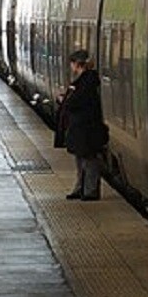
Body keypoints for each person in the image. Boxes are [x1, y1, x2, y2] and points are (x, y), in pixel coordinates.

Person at [58, 50, 108, 201]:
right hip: (80, 128)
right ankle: (81, 188)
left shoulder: (88, 81)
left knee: (89, 159)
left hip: (87, 128)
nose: (71, 67)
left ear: (77, 64)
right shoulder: (84, 80)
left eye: (72, 64)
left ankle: (90, 191)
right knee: (81, 159)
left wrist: (64, 100)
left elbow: (77, 101)